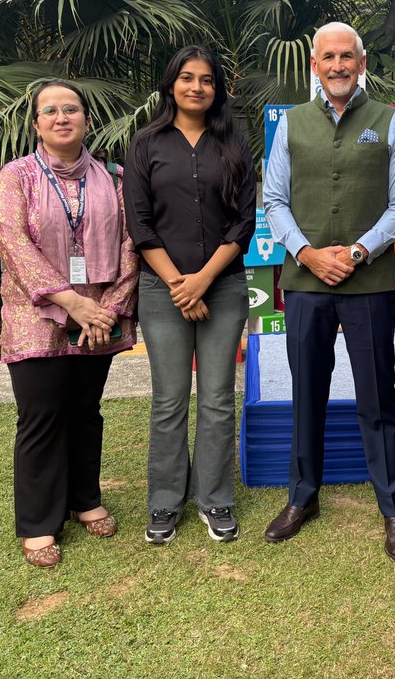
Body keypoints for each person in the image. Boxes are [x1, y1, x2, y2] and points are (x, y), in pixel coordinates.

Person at [262, 21, 395, 560]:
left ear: (361, 60)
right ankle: (302, 498)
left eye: (346, 56)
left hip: (369, 282)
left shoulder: (390, 124)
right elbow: (274, 201)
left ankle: (393, 509)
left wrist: (354, 253)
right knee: (307, 390)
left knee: (378, 395)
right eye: (327, 57)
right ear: (314, 63)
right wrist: (306, 253)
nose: (337, 66)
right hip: (305, 281)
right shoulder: (290, 125)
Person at [0, 80, 139, 568]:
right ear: (36, 124)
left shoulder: (112, 177)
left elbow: (130, 245)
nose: (61, 117)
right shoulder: (17, 177)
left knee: (85, 410)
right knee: (41, 416)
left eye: (70, 109)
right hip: (37, 314)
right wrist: (70, 302)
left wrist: (111, 308)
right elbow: (12, 241)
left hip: (97, 319)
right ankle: (38, 522)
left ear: (86, 120)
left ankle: (84, 499)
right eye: (50, 111)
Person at [125, 46, 256, 545]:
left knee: (220, 398)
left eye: (206, 80)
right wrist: (182, 285)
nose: (197, 87)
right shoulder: (146, 143)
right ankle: (164, 503)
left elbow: (244, 221)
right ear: (171, 84)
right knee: (169, 400)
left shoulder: (234, 145)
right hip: (163, 290)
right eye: (187, 78)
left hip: (222, 286)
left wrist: (203, 280)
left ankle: (215, 498)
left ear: (217, 88)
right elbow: (139, 223)